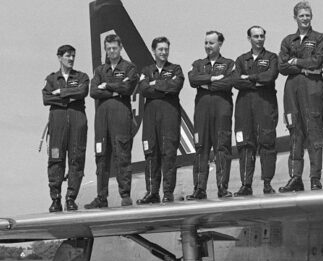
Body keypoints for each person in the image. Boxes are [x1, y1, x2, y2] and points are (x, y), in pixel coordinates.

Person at [278, 1, 323, 193]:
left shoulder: (320, 38)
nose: (305, 18)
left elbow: (316, 61)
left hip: (312, 89)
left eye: (308, 15)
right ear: (295, 18)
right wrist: (304, 67)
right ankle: (295, 177)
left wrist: (296, 61)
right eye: (301, 15)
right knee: (295, 134)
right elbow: (282, 67)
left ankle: (315, 178)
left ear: (311, 17)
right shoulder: (287, 40)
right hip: (292, 90)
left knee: (314, 133)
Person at [85, 35, 138, 209]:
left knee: (122, 155)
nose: (111, 51)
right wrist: (116, 88)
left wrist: (106, 86)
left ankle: (125, 195)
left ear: (120, 47)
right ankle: (101, 196)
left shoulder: (129, 67)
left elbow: (128, 88)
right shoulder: (100, 70)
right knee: (101, 157)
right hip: (102, 119)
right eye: (108, 48)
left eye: (114, 48)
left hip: (121, 116)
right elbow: (93, 91)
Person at [187, 31, 236, 200]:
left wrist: (206, 83)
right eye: (206, 42)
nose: (208, 46)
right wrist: (214, 79)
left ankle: (222, 187)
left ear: (220, 44)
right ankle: (199, 188)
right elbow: (193, 80)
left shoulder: (229, 64)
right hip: (202, 112)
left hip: (222, 111)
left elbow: (230, 82)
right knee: (201, 148)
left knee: (222, 148)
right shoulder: (198, 64)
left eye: (211, 43)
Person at [233, 26, 279, 196]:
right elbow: (236, 81)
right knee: (245, 144)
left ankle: (267, 183)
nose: (259, 39)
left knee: (267, 142)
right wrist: (257, 81)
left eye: (262, 36)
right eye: (256, 36)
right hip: (244, 106)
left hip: (265, 105)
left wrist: (249, 78)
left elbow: (271, 76)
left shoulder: (271, 57)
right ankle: (246, 184)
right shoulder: (241, 60)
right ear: (249, 38)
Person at [42, 44, 89, 212]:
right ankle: (55, 199)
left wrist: (60, 92)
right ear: (59, 57)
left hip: (77, 120)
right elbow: (46, 98)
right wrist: (69, 96)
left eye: (73, 56)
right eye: (68, 56)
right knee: (56, 159)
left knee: (77, 159)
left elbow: (82, 91)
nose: (71, 59)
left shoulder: (82, 76)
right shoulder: (51, 78)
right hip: (58, 121)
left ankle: (71, 198)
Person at [137, 37, 184, 204]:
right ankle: (152, 192)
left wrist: (155, 84)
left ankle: (167, 192)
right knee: (151, 154)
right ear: (154, 51)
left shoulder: (176, 69)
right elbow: (144, 89)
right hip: (151, 117)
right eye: (160, 49)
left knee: (169, 153)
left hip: (169, 115)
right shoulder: (146, 70)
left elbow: (175, 87)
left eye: (166, 49)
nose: (163, 52)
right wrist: (163, 86)